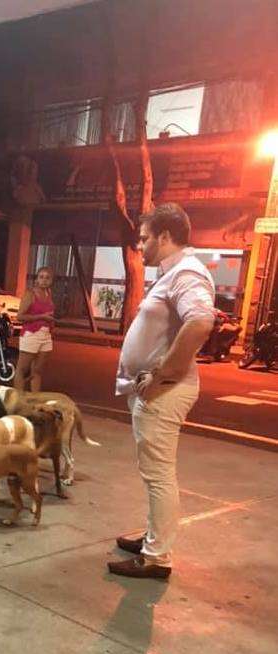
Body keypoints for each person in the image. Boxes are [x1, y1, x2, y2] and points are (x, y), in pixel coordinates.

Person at [109, 203, 215, 580]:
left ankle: (156, 556)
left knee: (159, 475)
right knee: (153, 472)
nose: (139, 246)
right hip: (156, 392)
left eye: (144, 238)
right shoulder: (172, 274)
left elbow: (200, 323)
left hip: (163, 394)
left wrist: (161, 377)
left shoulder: (187, 273)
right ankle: (153, 538)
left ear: (166, 236)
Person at [14, 266, 56, 392]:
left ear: (51, 280)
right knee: (22, 369)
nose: (44, 280)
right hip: (31, 334)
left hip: (46, 335)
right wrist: (41, 317)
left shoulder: (48, 293)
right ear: (36, 279)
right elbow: (20, 316)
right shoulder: (30, 294)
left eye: (47, 278)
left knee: (37, 371)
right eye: (41, 277)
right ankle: (18, 399)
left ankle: (34, 399)